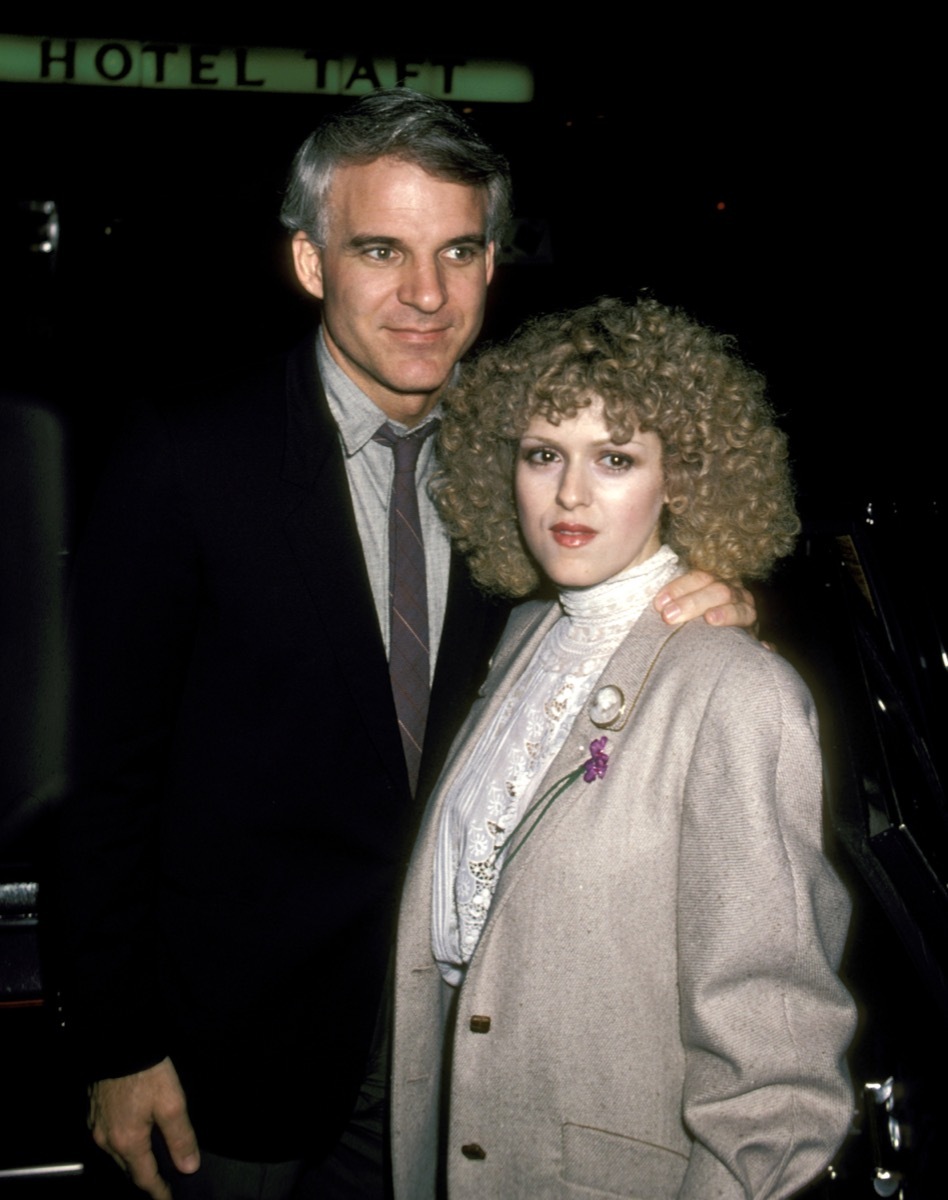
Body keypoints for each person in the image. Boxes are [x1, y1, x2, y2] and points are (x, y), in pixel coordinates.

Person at [60, 94, 756, 1200]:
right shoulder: (187, 457)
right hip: (231, 1058)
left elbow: (615, 607)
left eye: (458, 251)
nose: (426, 295)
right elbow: (103, 781)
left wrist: (704, 592)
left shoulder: (535, 464)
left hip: (466, 1057)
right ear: (310, 260)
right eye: (381, 250)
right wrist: (117, 1041)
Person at [391, 297, 856, 1199]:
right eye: (543, 455)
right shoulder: (524, 636)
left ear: (678, 478)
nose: (570, 494)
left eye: (614, 458)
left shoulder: (737, 692)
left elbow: (777, 1089)